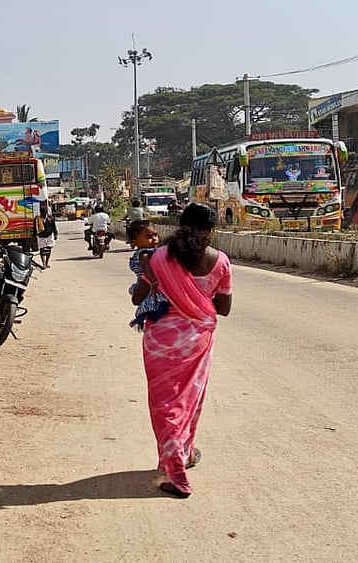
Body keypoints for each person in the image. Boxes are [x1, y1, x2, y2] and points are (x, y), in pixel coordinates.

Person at [131, 204, 233, 498]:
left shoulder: (160, 257)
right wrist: (197, 302)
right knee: (189, 399)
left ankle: (178, 466)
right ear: (211, 230)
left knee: (165, 404)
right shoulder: (221, 261)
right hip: (197, 339)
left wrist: (153, 279)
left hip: (160, 340)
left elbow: (138, 297)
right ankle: (182, 457)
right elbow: (223, 309)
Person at [126, 220, 168, 331]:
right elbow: (146, 268)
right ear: (135, 242)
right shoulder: (145, 253)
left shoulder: (151, 251)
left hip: (144, 281)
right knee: (154, 301)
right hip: (149, 282)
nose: (154, 239)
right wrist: (153, 282)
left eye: (155, 235)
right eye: (149, 237)